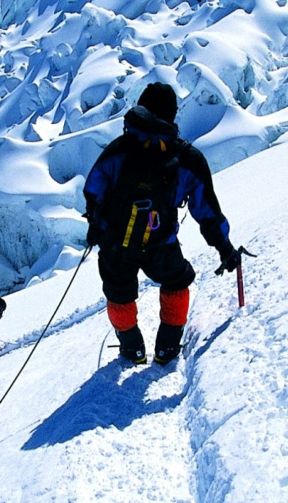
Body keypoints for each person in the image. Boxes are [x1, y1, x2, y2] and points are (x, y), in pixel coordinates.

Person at [83, 82, 243, 365]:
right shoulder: (187, 159)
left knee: (119, 292)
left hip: (116, 242)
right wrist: (224, 248)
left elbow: (94, 189)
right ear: (172, 115)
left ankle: (131, 349)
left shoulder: (119, 149)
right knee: (176, 281)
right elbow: (206, 211)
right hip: (161, 242)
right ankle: (168, 347)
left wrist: (95, 224)